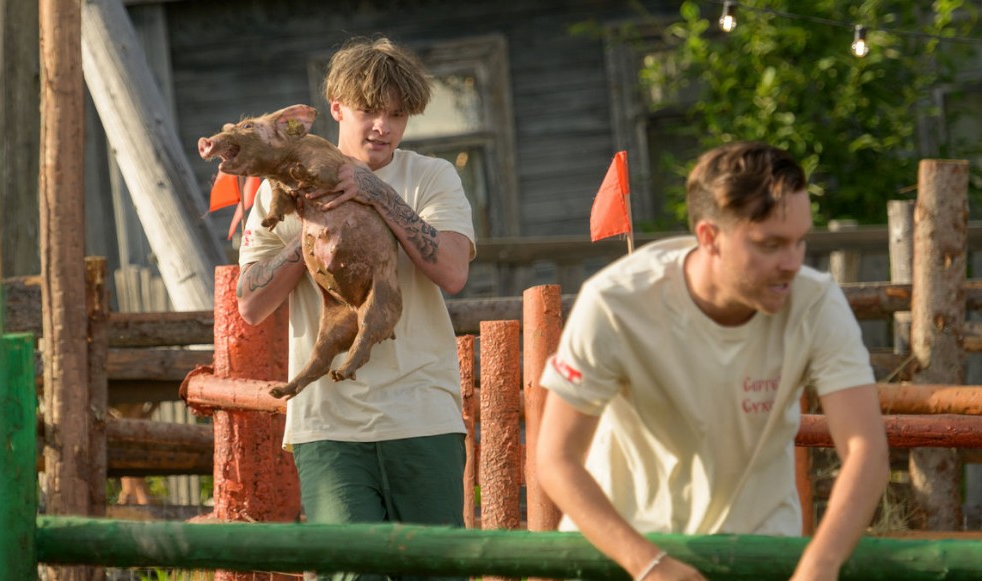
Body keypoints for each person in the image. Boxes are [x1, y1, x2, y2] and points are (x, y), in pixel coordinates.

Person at [536, 141, 889, 581]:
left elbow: (866, 450)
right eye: (770, 244)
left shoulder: (817, 300)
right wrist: (651, 565)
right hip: (627, 556)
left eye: (801, 242)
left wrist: (820, 564)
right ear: (709, 237)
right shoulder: (614, 303)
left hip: (758, 556)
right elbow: (555, 458)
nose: (793, 263)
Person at [235, 36, 476, 580]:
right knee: (346, 575)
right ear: (337, 108)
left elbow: (454, 272)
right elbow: (249, 303)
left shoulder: (431, 177)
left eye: (396, 115)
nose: (382, 128)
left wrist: (376, 194)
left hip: (423, 416)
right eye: (369, 111)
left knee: (437, 572)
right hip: (329, 426)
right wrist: (313, 222)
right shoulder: (280, 183)